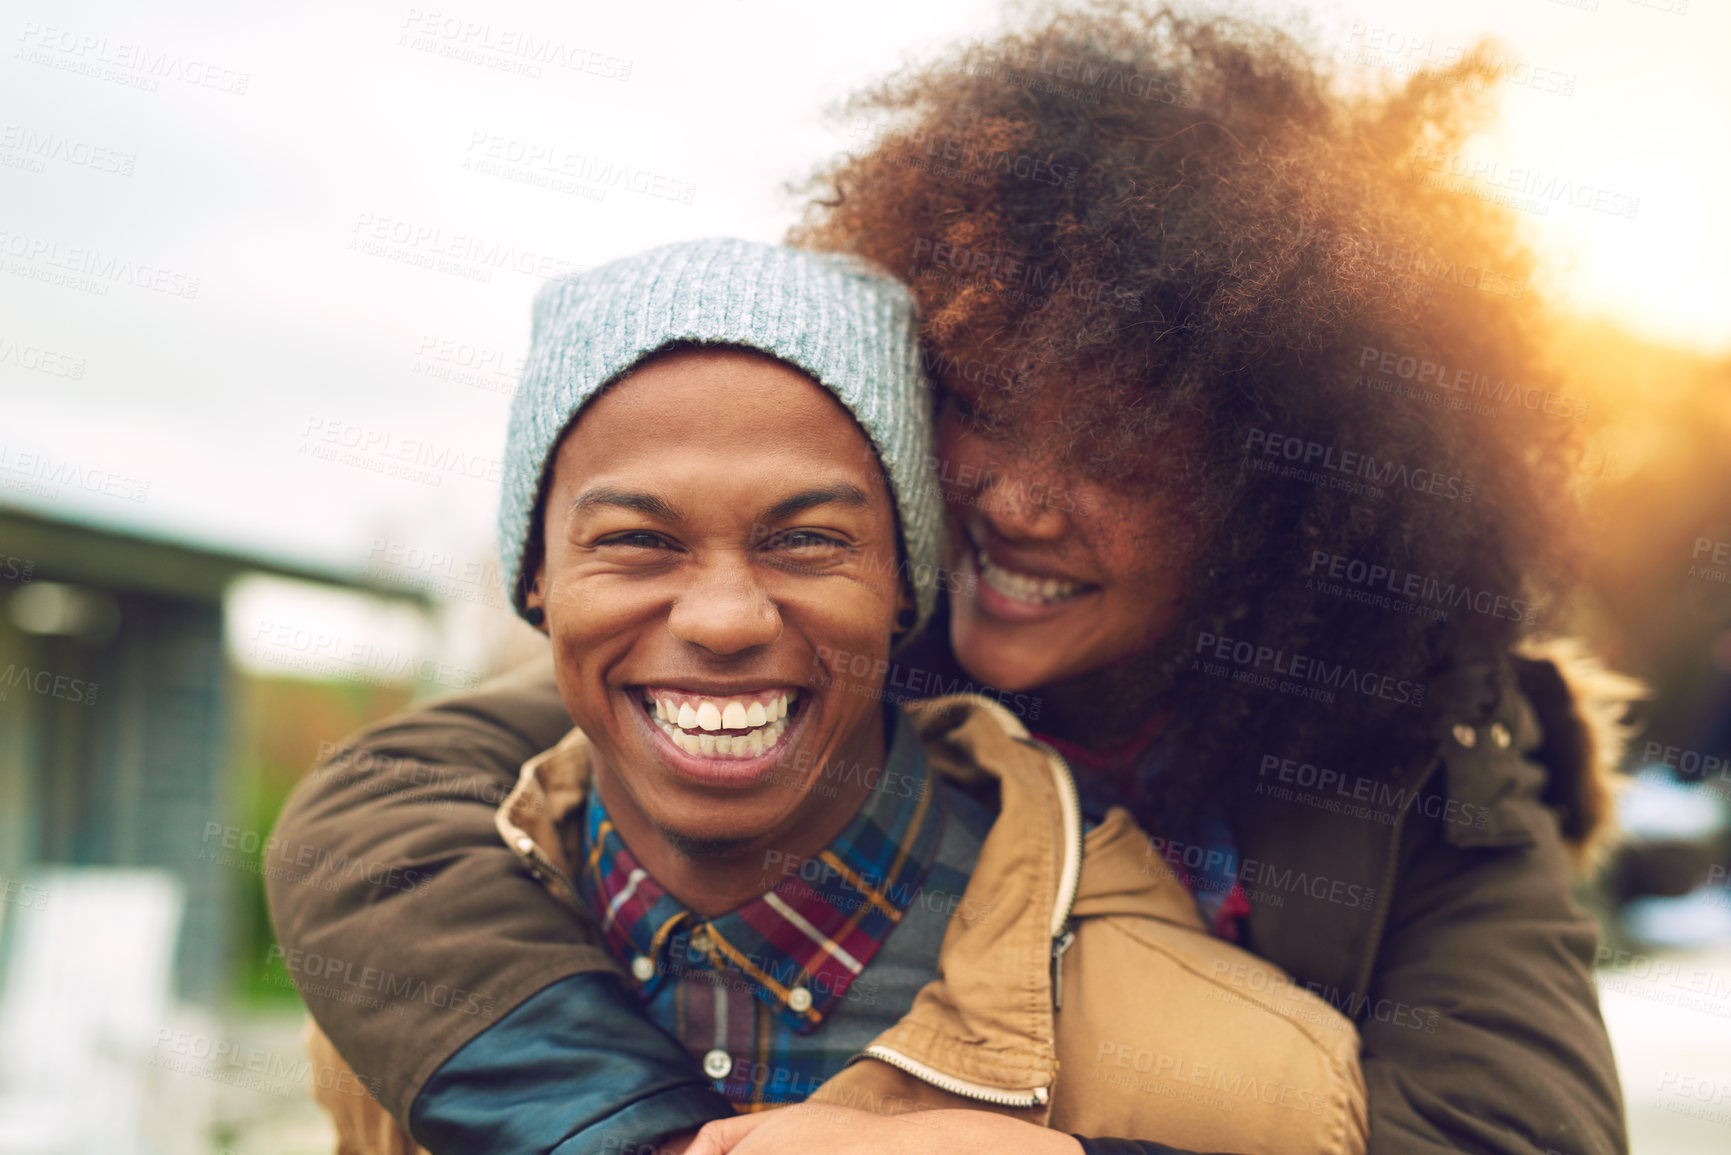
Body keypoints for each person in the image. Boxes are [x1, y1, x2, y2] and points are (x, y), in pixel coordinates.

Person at [267, 6, 1638, 1154]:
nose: (1018, 499)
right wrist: (637, 1129)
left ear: (1287, 500)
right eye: (987, 400)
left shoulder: (1403, 751)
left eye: (1117, 451)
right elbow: (378, 818)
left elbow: (1514, 1127)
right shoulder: (833, 629)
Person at [299, 237, 1369, 1155]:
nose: (724, 619)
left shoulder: (1251, 1081)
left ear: (907, 581)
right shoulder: (398, 1017)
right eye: (635, 541)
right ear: (537, 580)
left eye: (807, 539)